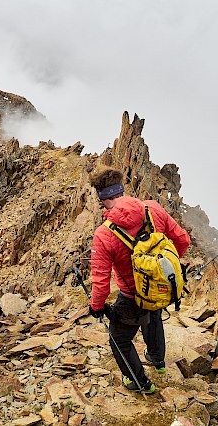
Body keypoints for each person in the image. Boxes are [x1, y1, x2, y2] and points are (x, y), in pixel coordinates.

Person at [88, 168, 190, 393]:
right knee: (153, 314)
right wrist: (163, 269)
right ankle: (157, 360)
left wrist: (96, 307)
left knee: (120, 339)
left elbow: (101, 283)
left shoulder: (104, 235)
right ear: (122, 190)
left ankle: (138, 382)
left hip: (132, 296)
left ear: (103, 198)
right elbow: (183, 240)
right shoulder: (152, 208)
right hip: (161, 287)